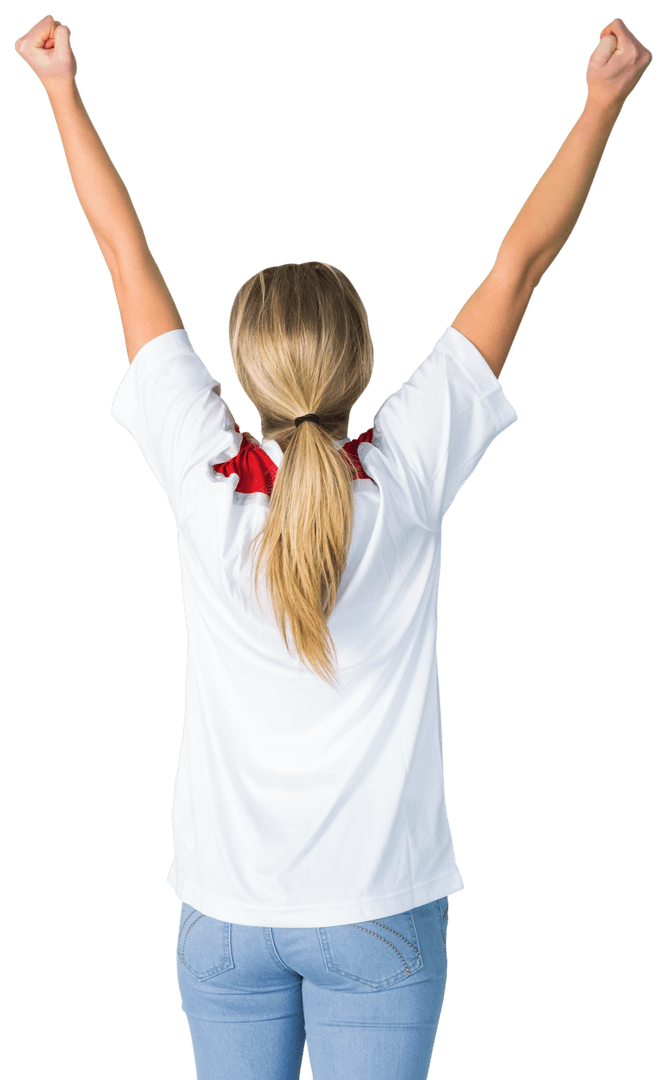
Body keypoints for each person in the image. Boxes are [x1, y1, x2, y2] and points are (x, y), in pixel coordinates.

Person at [13, 13, 653, 1080]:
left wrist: (60, 93)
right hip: (380, 918)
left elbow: (120, 253)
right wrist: (601, 102)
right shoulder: (402, 474)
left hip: (224, 917)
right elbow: (519, 267)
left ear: (243, 365)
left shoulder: (202, 472)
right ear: (359, 360)